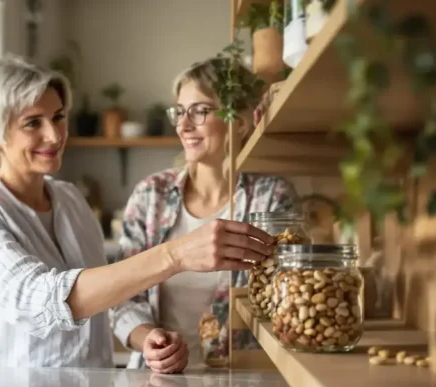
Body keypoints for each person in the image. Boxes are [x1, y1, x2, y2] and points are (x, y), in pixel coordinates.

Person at [0, 55, 276, 374]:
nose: (54, 135)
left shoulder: (71, 199)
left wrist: (148, 336)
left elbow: (111, 297)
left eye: (59, 117)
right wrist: (176, 254)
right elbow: (36, 300)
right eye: (33, 122)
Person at [111, 58, 298, 371]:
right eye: (179, 112)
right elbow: (122, 295)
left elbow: (288, 294)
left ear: (239, 120)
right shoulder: (151, 195)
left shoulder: (270, 198)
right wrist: (149, 342)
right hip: (158, 382)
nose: (183, 125)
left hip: (244, 382)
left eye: (199, 111)